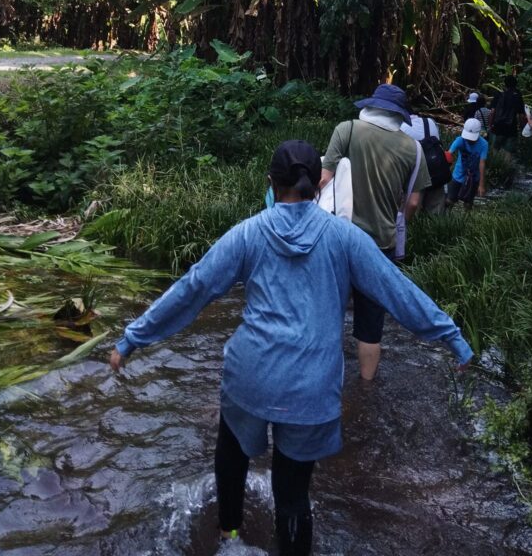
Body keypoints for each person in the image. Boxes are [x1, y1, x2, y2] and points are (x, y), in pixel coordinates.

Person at [109, 140, 472, 555]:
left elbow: (193, 289)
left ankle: (229, 537)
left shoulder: (248, 233)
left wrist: (132, 338)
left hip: (251, 374)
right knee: (294, 494)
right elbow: (398, 291)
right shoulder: (345, 238)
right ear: (319, 185)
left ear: (271, 183)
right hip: (311, 385)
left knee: (231, 456)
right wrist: (453, 338)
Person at [320, 84, 431, 381]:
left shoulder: (347, 129)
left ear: (371, 105)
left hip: (338, 241)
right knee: (370, 327)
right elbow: (414, 202)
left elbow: (324, 179)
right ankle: (367, 388)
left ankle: (321, 382)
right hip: (381, 246)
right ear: (400, 115)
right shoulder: (413, 148)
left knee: (327, 313)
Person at [401, 106, 449, 215]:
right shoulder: (430, 122)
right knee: (436, 212)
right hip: (437, 171)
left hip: (416, 176)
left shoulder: (401, 127)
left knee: (413, 212)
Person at [445, 117, 488, 208]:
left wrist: (481, 184)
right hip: (458, 175)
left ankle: (466, 215)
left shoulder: (483, 144)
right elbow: (448, 154)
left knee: (468, 204)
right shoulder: (460, 140)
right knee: (449, 201)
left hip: (473, 178)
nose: (470, 140)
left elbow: (482, 163)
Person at [489, 75, 526, 153]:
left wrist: (490, 125)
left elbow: (492, 111)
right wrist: (522, 128)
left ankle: (495, 160)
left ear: (505, 84)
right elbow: (521, 115)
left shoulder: (499, 94)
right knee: (508, 153)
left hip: (498, 127)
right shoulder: (518, 96)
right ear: (515, 84)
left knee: (495, 150)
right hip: (511, 128)